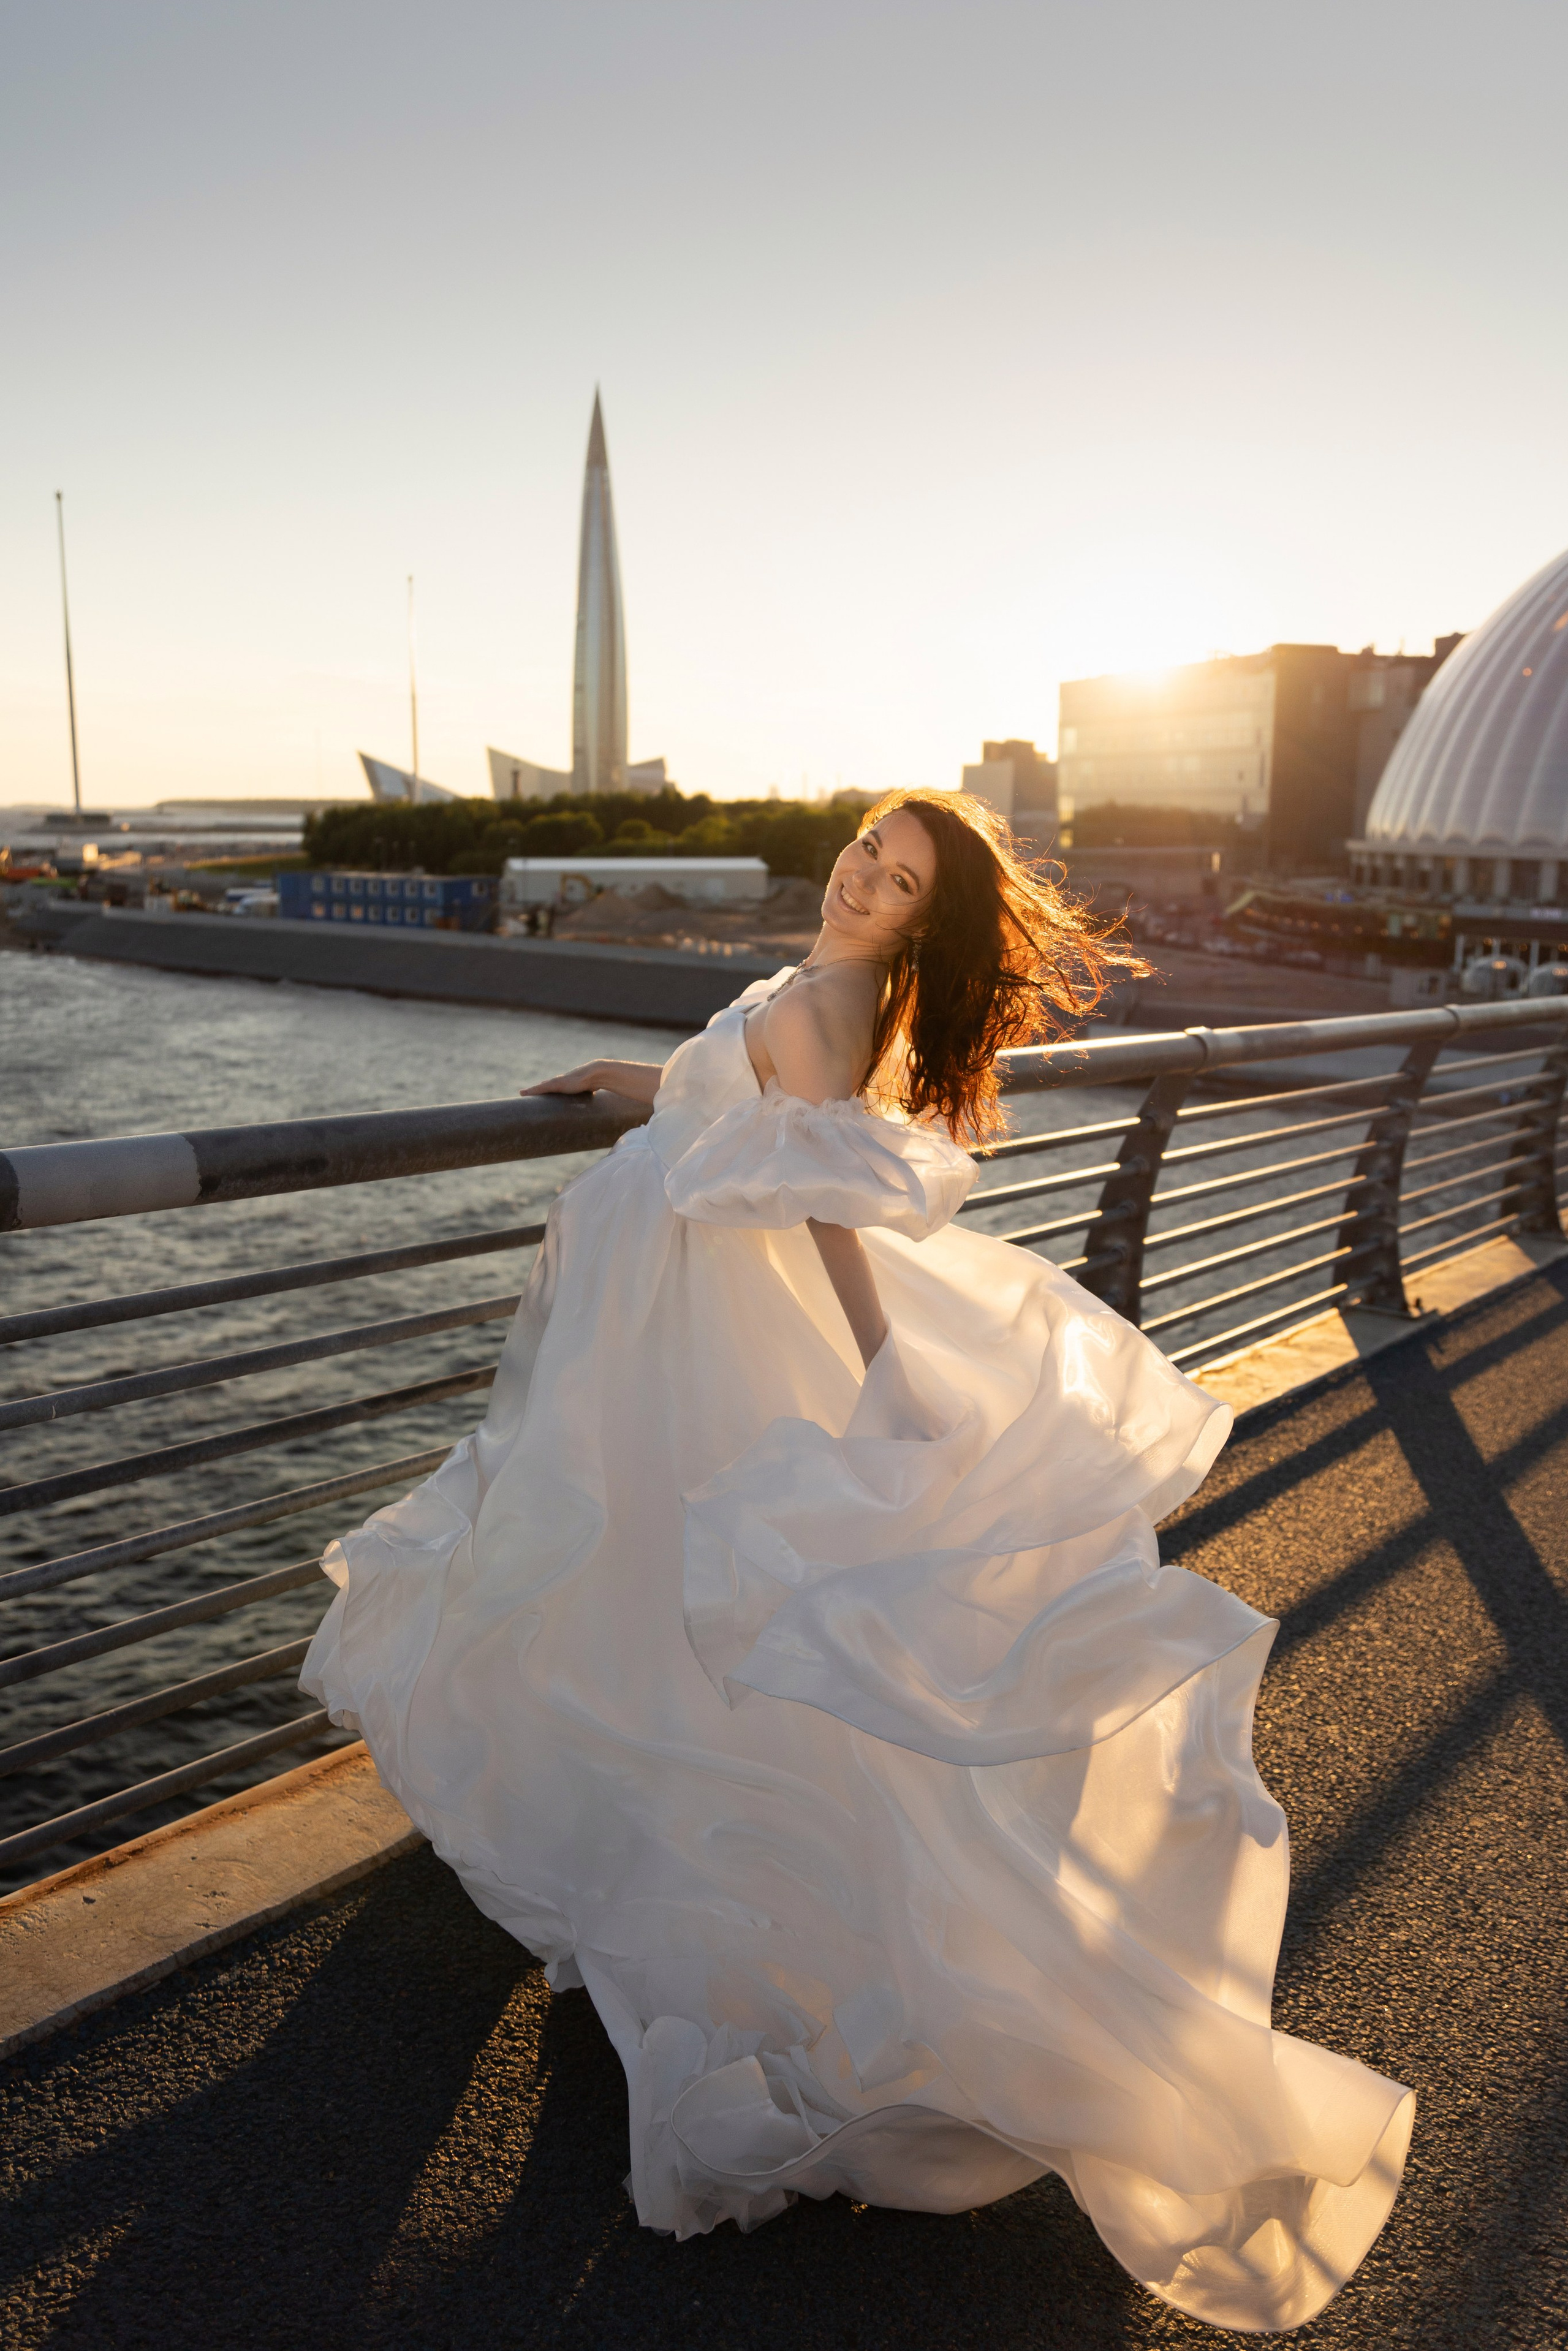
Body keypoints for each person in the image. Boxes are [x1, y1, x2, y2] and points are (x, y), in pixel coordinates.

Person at [302, 789, 1412, 2331]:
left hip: (682, 1349)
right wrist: (638, 1077)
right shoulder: (819, 987)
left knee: (662, 1627)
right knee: (658, 1626)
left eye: (893, 882)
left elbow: (823, 1209)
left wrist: (892, 1384)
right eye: (866, 854)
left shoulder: (832, 1000)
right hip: (656, 1340)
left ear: (911, 926)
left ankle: (791, 1949)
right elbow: (737, 1111)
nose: (859, 879)